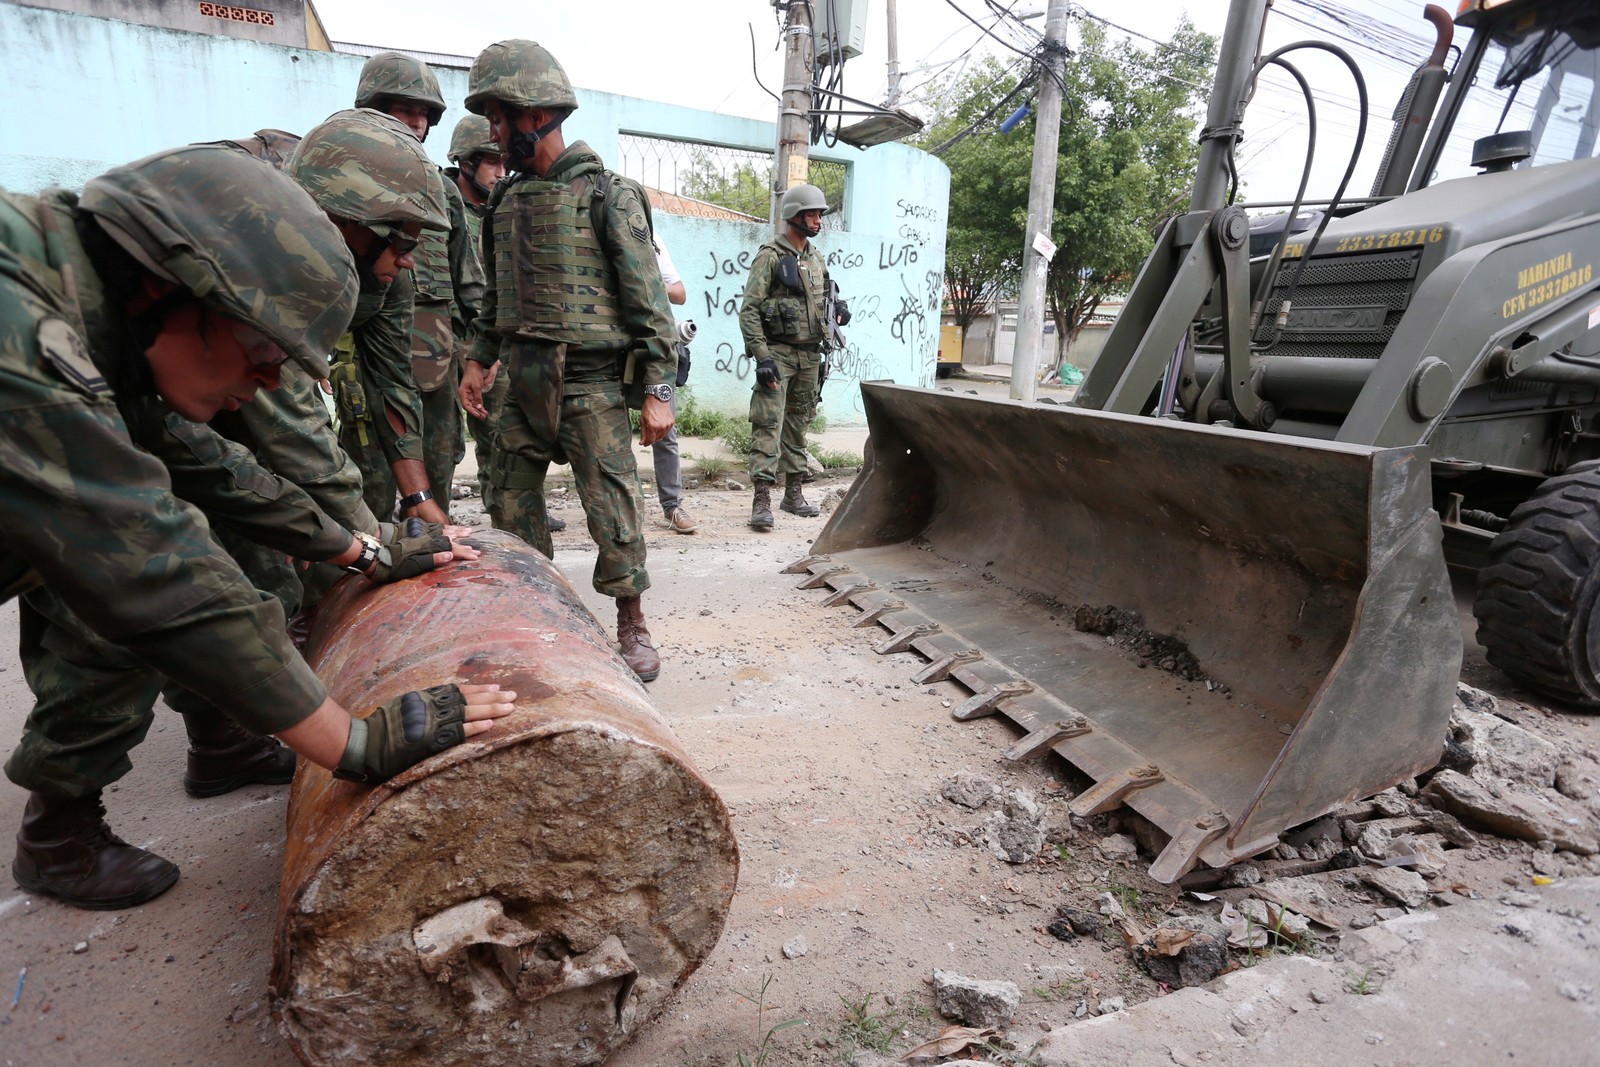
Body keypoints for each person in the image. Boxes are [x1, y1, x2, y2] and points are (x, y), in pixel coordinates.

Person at [1, 144, 514, 909]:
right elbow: (157, 563)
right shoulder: (23, 338)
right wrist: (357, 743)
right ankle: (58, 831)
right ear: (171, 287)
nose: (269, 382)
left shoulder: (101, 306)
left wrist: (366, 548)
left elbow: (207, 462)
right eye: (264, 350)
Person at [460, 39, 678, 682]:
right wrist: (477, 359)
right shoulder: (504, 201)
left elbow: (649, 304)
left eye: (500, 119)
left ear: (536, 116)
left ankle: (631, 621)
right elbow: (497, 295)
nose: (493, 135)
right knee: (509, 505)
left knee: (612, 506)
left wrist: (660, 387)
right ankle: (539, 616)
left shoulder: (608, 194)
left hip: (589, 380)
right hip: (521, 376)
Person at [355, 52, 486, 518]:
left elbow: (467, 278)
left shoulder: (442, 189)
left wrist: (479, 353)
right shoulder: (343, 181)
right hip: (365, 350)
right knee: (367, 471)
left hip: (436, 353)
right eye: (403, 110)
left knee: (437, 467)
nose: (416, 123)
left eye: (423, 114)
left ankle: (433, 568)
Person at [738, 182, 843, 529]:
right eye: (811, 214)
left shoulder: (815, 257)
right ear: (793, 216)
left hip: (810, 356)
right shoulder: (770, 255)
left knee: (798, 425)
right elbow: (749, 310)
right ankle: (761, 499)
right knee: (768, 424)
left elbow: (827, 295)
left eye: (818, 214)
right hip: (779, 355)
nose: (817, 220)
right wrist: (762, 356)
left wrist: (840, 308)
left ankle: (793, 494)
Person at [651, 236, 696, 533]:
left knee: (665, 428)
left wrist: (646, 282)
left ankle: (672, 506)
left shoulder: (653, 240)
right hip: (610, 344)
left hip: (655, 345)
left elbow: (679, 294)